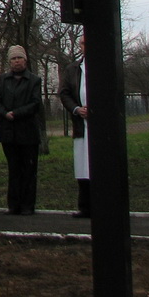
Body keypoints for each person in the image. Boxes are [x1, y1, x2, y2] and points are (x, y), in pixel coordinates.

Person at [0, 46, 43, 215]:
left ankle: (28, 205)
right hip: (8, 131)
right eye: (13, 59)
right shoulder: (3, 80)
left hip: (27, 131)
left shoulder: (34, 80)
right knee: (13, 169)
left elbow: (35, 103)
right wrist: (5, 113)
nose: (16, 61)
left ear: (25, 60)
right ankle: (13, 205)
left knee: (28, 169)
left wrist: (17, 113)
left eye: (19, 58)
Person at [57, 35, 91, 217]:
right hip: (81, 124)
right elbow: (64, 93)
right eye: (84, 43)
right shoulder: (73, 69)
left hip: (102, 127)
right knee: (82, 165)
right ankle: (85, 206)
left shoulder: (107, 66)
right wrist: (77, 109)